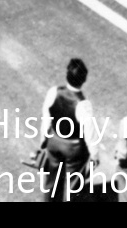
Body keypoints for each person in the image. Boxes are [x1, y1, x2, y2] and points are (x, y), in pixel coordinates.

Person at [39, 57, 99, 201]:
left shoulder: (54, 91)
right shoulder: (83, 104)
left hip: (54, 141)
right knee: (73, 186)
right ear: (83, 79)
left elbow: (47, 119)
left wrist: (43, 140)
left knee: (51, 181)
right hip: (73, 149)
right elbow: (89, 132)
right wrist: (95, 154)